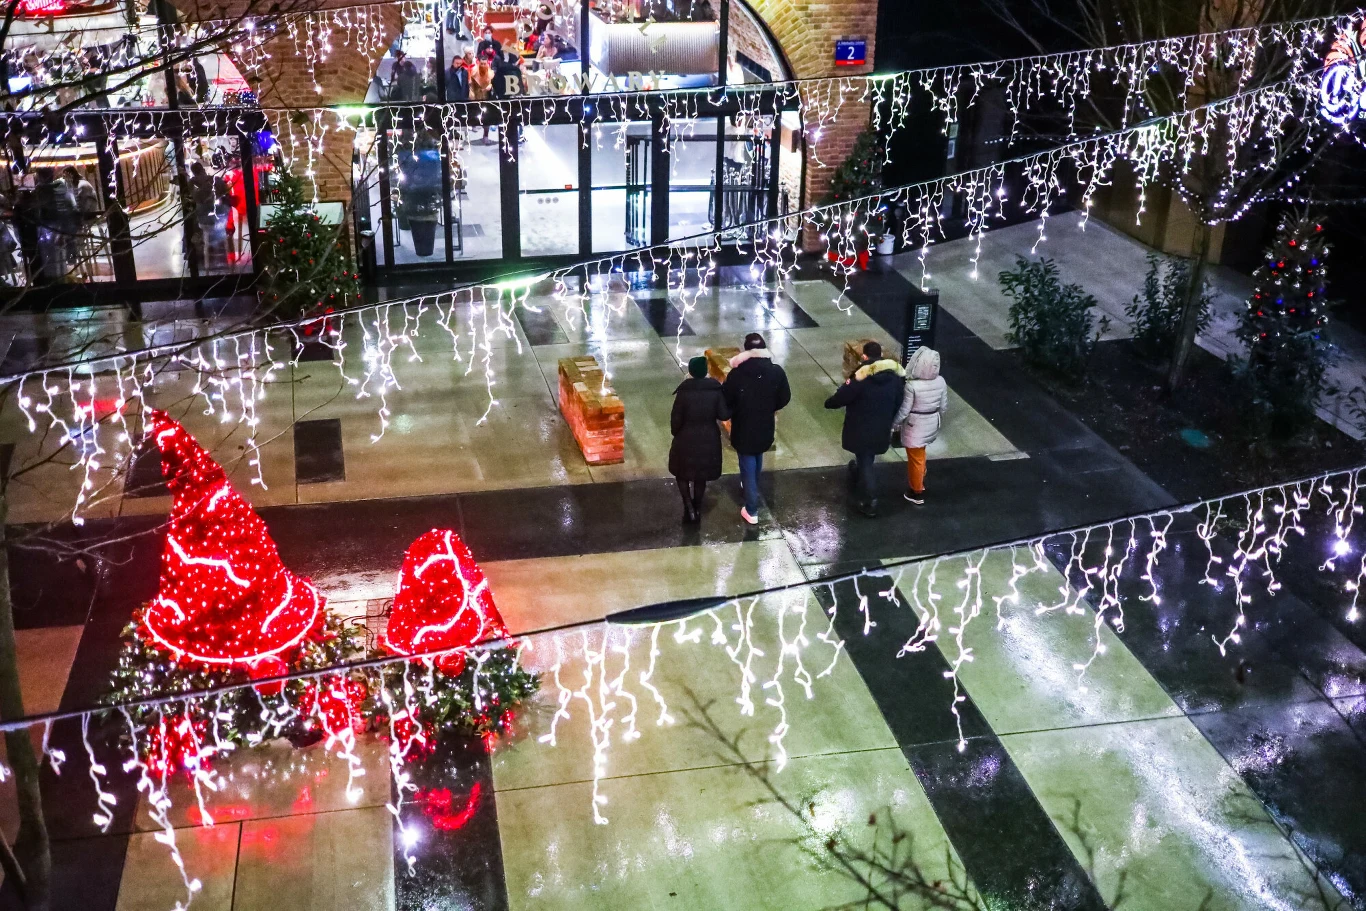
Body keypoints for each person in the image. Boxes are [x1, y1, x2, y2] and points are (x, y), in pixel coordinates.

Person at [824, 341, 906, 517]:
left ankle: (870, 501)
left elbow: (842, 396)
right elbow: (899, 400)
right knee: (868, 454)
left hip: (860, 426)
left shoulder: (860, 377)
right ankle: (858, 470)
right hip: (882, 425)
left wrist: (829, 403)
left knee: (865, 459)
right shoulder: (894, 378)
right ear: (881, 356)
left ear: (864, 356)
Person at [723, 333, 790, 525]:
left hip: (743, 426)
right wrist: (770, 407)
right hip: (765, 425)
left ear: (746, 350)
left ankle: (751, 509)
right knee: (758, 454)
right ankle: (751, 483)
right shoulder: (776, 372)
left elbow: (726, 400)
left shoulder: (736, 374)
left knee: (747, 462)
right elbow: (785, 397)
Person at [670, 356, 730, 523]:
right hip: (709, 440)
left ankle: (688, 506)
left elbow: (676, 420)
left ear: (690, 371)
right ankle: (697, 506)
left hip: (685, 439)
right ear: (705, 371)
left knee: (682, 473)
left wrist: (677, 433)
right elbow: (724, 414)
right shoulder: (715, 391)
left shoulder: (683, 392)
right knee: (700, 476)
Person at [892, 346, 948, 505]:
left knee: (915, 458)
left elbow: (905, 410)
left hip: (914, 425)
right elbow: (943, 407)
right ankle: (921, 476)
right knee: (920, 452)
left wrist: (895, 423)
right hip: (931, 421)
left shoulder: (912, 386)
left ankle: (917, 491)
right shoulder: (941, 381)